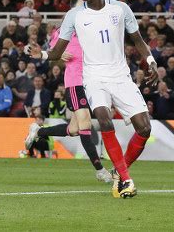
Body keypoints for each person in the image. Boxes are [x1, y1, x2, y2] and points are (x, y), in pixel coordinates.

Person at [28, 0, 158, 199]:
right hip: (94, 78)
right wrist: (43, 54)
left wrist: (151, 61)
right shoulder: (75, 15)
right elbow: (58, 51)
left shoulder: (120, 9)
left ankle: (119, 171)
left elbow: (138, 40)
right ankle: (126, 180)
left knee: (144, 128)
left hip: (121, 76)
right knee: (105, 120)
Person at [25, 24, 112, 183]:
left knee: (73, 129)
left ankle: (38, 131)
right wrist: (55, 53)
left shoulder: (91, 29)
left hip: (91, 84)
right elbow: (53, 50)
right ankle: (100, 170)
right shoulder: (63, 31)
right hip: (75, 84)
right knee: (85, 125)